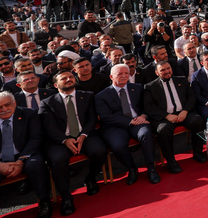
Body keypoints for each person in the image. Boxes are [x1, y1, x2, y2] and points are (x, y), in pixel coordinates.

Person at [39, 70, 108, 216]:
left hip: (85, 135)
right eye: (64, 78)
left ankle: (90, 179)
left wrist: (83, 135)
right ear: (55, 84)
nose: (69, 79)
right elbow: (49, 127)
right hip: (59, 140)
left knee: (100, 150)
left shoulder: (87, 96)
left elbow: (91, 119)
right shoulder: (47, 103)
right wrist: (65, 140)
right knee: (58, 159)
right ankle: (66, 197)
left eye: (71, 77)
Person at [95, 64, 160, 185]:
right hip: (115, 127)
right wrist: (129, 121)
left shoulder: (138, 88)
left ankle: (151, 168)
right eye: (120, 74)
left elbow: (148, 105)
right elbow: (106, 117)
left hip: (139, 121)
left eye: (126, 73)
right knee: (118, 145)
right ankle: (132, 168)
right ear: (111, 76)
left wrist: (144, 116)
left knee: (146, 134)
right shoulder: (101, 96)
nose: (124, 76)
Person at [143, 60, 208, 174]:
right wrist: (166, 116)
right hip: (165, 118)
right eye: (162, 70)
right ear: (157, 73)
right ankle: (171, 161)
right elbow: (150, 107)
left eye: (168, 68)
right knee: (163, 130)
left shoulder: (182, 80)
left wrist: (185, 111)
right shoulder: (150, 87)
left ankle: (198, 152)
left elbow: (191, 97)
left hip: (183, 113)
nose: (167, 71)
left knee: (198, 120)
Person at [0, 91, 53, 218]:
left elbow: (35, 138)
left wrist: (20, 161)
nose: (4, 109)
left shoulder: (29, 114)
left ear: (15, 103)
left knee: (36, 165)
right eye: (0, 107)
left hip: (25, 153)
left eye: (8, 105)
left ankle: (45, 202)